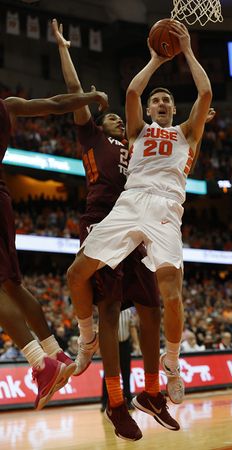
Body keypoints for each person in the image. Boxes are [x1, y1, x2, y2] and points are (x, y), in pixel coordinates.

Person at [66, 19, 212, 408]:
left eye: (167, 101)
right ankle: (86, 339)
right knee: (76, 274)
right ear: (148, 110)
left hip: (166, 207)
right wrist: (155, 59)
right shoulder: (137, 131)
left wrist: (187, 50)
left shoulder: (188, 133)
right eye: (156, 101)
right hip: (130, 202)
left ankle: (173, 366)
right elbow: (131, 90)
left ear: (175, 110)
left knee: (172, 296)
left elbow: (206, 90)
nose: (162, 103)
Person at [53, 19, 179, 442]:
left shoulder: (137, 144)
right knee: (109, 310)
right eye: (112, 119)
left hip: (138, 228)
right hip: (103, 223)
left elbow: (174, 144)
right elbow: (75, 94)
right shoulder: (91, 136)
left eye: (119, 120)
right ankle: (115, 400)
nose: (117, 122)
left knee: (152, 307)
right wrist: (64, 49)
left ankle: (152, 392)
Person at [0, 88, 109, 411]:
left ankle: (40, 363)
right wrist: (90, 98)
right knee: (12, 285)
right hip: (3, 197)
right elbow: (56, 104)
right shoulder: (9, 106)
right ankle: (54, 352)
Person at [101, 308, 140, 412]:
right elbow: (100, 328)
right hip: (110, 345)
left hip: (125, 345)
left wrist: (136, 344)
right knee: (108, 373)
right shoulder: (106, 308)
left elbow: (132, 328)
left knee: (126, 373)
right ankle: (105, 402)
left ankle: (128, 400)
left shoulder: (128, 311)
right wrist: (99, 346)